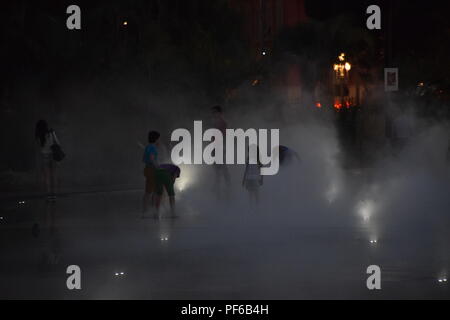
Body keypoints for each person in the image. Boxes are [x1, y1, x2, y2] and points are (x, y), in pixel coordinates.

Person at [35, 120, 60, 201]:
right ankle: (54, 195)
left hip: (44, 156)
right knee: (54, 176)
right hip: (53, 155)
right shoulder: (51, 133)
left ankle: (48, 195)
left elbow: (39, 147)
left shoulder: (39, 136)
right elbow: (58, 143)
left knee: (47, 177)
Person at [211, 105, 230, 199]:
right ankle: (219, 187)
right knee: (218, 168)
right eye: (213, 112)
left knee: (222, 168)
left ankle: (226, 188)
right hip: (216, 147)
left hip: (220, 147)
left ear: (220, 113)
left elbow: (224, 136)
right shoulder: (216, 122)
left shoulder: (222, 122)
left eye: (215, 112)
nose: (213, 114)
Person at [142, 131, 160, 216]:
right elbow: (152, 159)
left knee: (148, 191)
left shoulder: (148, 147)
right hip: (152, 170)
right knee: (155, 191)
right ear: (155, 139)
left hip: (148, 169)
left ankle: (146, 210)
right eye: (158, 139)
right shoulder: (152, 147)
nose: (159, 141)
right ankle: (154, 211)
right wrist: (158, 167)